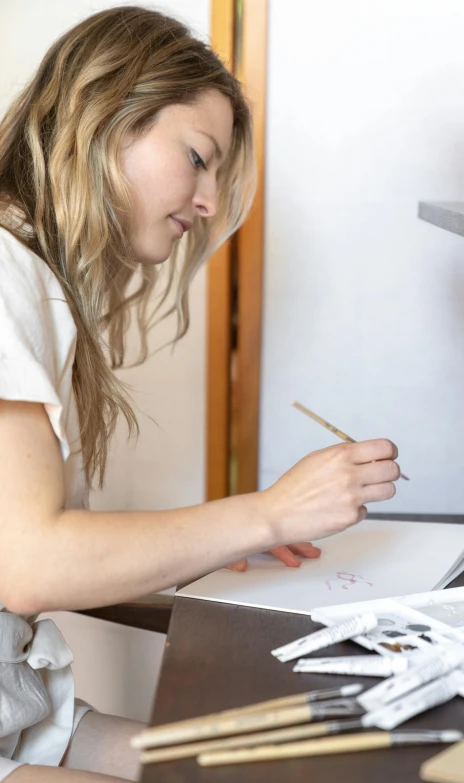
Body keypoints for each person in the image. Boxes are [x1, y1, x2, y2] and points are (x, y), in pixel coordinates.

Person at [0, 6, 400, 782]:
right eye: (197, 157)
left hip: (20, 706)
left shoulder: (27, 275)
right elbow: (26, 563)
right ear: (105, 117)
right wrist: (268, 511)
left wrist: (226, 537)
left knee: (268, 765)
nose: (210, 201)